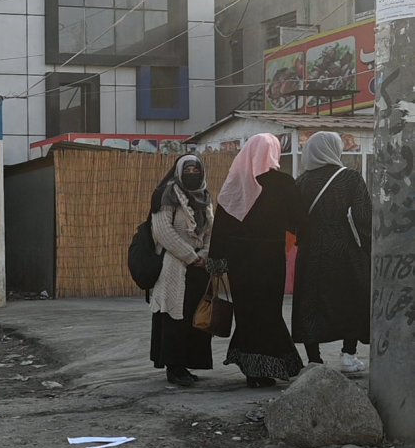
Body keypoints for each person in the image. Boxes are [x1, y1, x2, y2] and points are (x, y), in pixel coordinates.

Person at [209, 133, 307, 388]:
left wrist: (217, 262)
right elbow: (299, 220)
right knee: (269, 311)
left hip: (240, 262)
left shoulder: (235, 184)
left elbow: (221, 227)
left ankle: (256, 370)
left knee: (247, 312)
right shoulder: (284, 183)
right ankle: (276, 363)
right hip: (270, 259)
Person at [292, 131, 371, 371]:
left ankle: (314, 360)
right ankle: (348, 355)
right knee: (351, 298)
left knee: (310, 301)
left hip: (311, 250)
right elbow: (362, 216)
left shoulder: (301, 182)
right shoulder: (350, 178)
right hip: (344, 248)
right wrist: (368, 246)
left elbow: (292, 220)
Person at [148, 155, 215, 387]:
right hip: (174, 266)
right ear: (178, 171)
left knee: (194, 318)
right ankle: (174, 368)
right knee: (174, 318)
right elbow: (162, 231)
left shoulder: (205, 197)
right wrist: (190, 255)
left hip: (199, 269)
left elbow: (210, 230)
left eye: (197, 169)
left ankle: (187, 364)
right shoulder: (165, 195)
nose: (193, 172)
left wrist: (204, 254)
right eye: (188, 169)